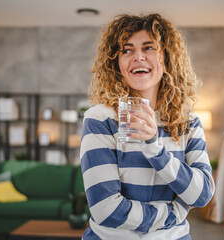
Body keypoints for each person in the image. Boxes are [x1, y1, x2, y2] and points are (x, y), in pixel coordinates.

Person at [80, 13, 215, 240]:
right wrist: (173, 212)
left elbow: (202, 195)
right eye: (127, 50)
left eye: (149, 48)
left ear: (166, 57)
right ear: (116, 62)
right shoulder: (100, 119)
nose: (138, 57)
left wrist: (154, 148)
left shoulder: (188, 122)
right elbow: (106, 210)